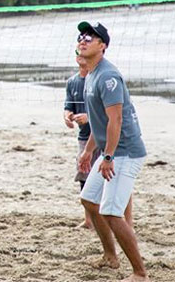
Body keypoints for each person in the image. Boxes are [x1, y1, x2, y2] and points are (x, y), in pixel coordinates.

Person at [76, 22, 149, 282]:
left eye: (91, 37)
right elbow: (100, 122)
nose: (83, 40)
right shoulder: (90, 74)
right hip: (110, 150)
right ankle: (110, 256)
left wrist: (106, 157)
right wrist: (88, 150)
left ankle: (140, 273)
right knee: (89, 199)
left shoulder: (108, 76)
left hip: (125, 152)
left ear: (103, 46)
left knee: (111, 211)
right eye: (81, 36)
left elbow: (115, 121)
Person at [64, 52, 98, 229]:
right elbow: (68, 106)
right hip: (84, 137)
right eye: (77, 54)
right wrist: (67, 116)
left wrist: (89, 118)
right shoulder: (72, 82)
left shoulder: (97, 79)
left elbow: (108, 114)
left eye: (84, 55)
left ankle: (122, 220)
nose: (81, 57)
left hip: (102, 136)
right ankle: (88, 220)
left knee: (106, 177)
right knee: (84, 175)